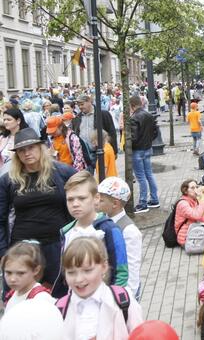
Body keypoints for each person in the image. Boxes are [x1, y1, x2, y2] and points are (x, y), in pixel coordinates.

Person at [0, 128, 76, 293]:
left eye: (31, 147)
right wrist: (3, 252)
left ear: (41, 147)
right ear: (17, 154)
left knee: (60, 296)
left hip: (57, 245)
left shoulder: (62, 172)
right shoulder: (8, 180)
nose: (27, 153)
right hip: (22, 248)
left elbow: (83, 196)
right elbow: (0, 219)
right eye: (21, 150)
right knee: (20, 296)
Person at [59, 237, 144, 337]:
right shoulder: (60, 309)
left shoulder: (123, 301)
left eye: (87, 270)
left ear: (104, 267)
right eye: (71, 272)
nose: (79, 279)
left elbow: (141, 335)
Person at [59, 171, 128, 293]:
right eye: (70, 199)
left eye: (82, 198)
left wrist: (114, 300)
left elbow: (121, 273)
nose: (75, 204)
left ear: (96, 198)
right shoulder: (66, 232)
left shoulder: (109, 229)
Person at [97, 176, 143, 299]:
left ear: (115, 204)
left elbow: (132, 267)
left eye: (101, 200)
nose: (97, 203)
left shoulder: (129, 231)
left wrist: (128, 297)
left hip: (123, 292)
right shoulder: (102, 221)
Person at [1, 241, 54, 311]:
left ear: (36, 270)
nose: (12, 279)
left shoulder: (41, 299)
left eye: (20, 273)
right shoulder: (13, 293)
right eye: (8, 272)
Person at [130, 96, 159, 213]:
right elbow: (155, 132)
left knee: (141, 177)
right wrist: (148, 141)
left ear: (132, 105)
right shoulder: (148, 115)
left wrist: (129, 146)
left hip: (138, 150)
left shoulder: (134, 118)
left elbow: (133, 137)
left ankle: (143, 203)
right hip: (147, 148)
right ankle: (154, 199)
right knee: (149, 174)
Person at [72, 94, 117, 167]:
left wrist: (114, 151)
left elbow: (112, 132)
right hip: (84, 154)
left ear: (89, 102)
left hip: (100, 152)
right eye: (78, 105)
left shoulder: (102, 114)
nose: (80, 107)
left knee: (101, 175)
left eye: (82, 104)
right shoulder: (77, 117)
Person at [174, 179, 204, 247]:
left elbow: (198, 218)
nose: (196, 190)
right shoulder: (183, 204)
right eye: (192, 188)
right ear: (186, 191)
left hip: (194, 231)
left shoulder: (193, 200)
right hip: (187, 239)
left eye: (196, 187)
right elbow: (197, 216)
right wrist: (202, 198)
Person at [0, 108, 29, 173]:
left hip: (19, 172)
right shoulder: (3, 137)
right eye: (4, 120)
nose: (5, 122)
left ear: (18, 120)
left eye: (9, 119)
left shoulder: (27, 137)